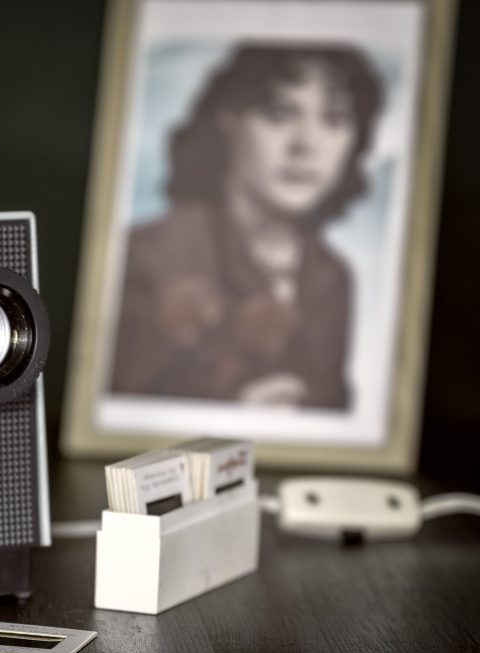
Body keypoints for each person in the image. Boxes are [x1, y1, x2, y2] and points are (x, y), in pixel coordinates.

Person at [109, 44, 383, 409]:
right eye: (279, 114)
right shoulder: (144, 255)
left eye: (333, 120)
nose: (306, 144)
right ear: (228, 119)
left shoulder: (331, 276)